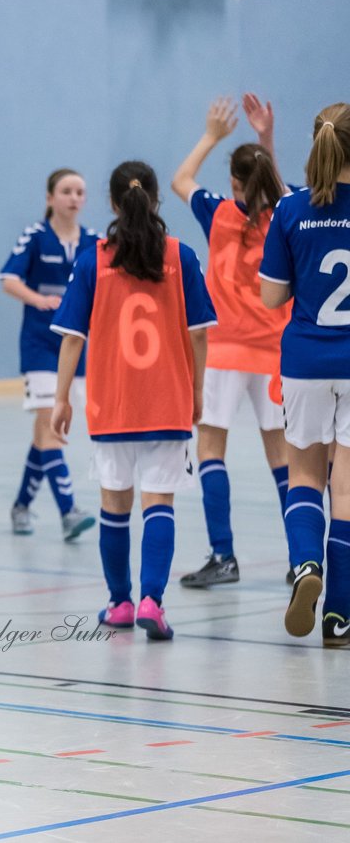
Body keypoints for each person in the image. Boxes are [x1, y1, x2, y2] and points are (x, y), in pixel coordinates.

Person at [51, 161, 217, 641]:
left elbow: (71, 339)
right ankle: (152, 600)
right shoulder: (180, 256)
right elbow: (199, 335)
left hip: (112, 402)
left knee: (114, 504)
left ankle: (120, 603)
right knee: (159, 501)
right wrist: (198, 389)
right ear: (156, 199)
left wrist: (61, 398)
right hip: (167, 399)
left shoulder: (93, 259)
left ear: (112, 202)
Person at [170, 94, 292, 588]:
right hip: (275, 355)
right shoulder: (287, 214)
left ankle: (224, 555)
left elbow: (180, 179)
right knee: (284, 460)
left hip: (222, 353)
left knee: (212, 452)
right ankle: (300, 559)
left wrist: (211, 135)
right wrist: (266, 139)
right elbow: (280, 191)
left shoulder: (219, 215)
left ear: (235, 184)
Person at [259, 103, 350, 646]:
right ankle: (340, 616)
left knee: (305, 475)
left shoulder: (291, 210)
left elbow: (272, 296)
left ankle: (304, 567)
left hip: (307, 362)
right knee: (348, 491)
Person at [0, 169, 99, 540]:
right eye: (66, 191)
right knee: (50, 426)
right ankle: (69, 510)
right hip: (41, 347)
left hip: (76, 351)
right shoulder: (36, 237)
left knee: (45, 432)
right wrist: (40, 300)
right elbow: (8, 280)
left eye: (80, 192)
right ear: (49, 197)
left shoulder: (94, 241)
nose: (74, 198)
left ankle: (21, 506)